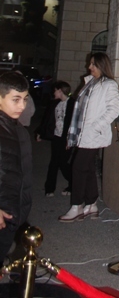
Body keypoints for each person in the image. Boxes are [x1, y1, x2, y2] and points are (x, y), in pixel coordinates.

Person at [59, 54, 119, 222]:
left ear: (101, 65)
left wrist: (96, 126)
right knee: (88, 168)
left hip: (93, 134)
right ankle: (92, 204)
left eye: (93, 64)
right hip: (83, 133)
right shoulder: (90, 83)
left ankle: (77, 205)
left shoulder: (109, 85)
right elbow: (80, 111)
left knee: (78, 167)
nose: (89, 67)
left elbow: (114, 109)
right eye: (90, 63)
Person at [0, 72, 32, 264]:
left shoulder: (19, 130)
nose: (22, 106)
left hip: (14, 210)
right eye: (16, 99)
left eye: (25, 99)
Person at [36, 81, 73, 197]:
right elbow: (47, 119)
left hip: (67, 137)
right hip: (57, 136)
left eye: (55, 90)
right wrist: (40, 132)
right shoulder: (55, 103)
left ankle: (73, 184)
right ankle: (49, 188)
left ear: (60, 90)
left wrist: (70, 139)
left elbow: (74, 122)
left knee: (63, 163)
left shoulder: (72, 103)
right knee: (54, 163)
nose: (54, 92)